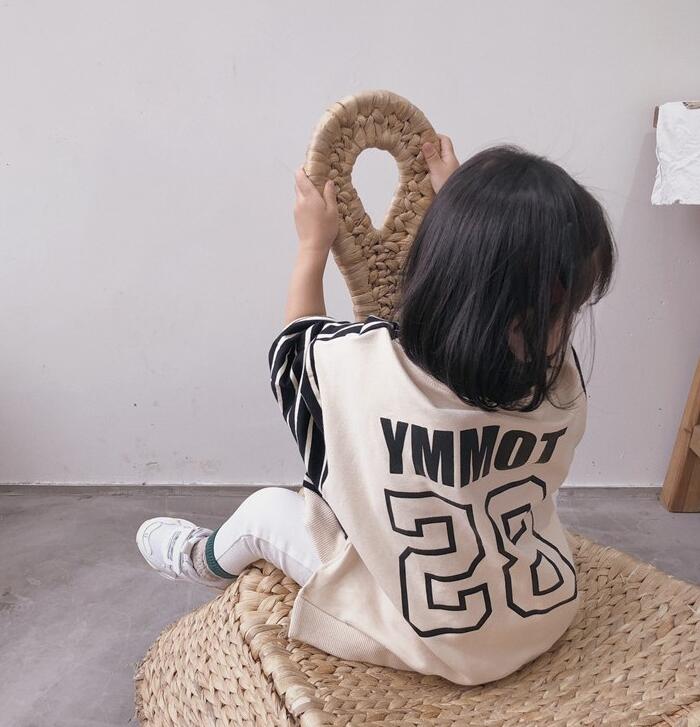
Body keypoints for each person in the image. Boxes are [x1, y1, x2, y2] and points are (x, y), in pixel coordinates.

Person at [136, 135, 616, 685]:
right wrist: (467, 206)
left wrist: (313, 246)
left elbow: (295, 346)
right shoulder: (562, 387)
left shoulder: (365, 370)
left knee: (268, 510)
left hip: (425, 632)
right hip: (539, 614)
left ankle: (203, 558)